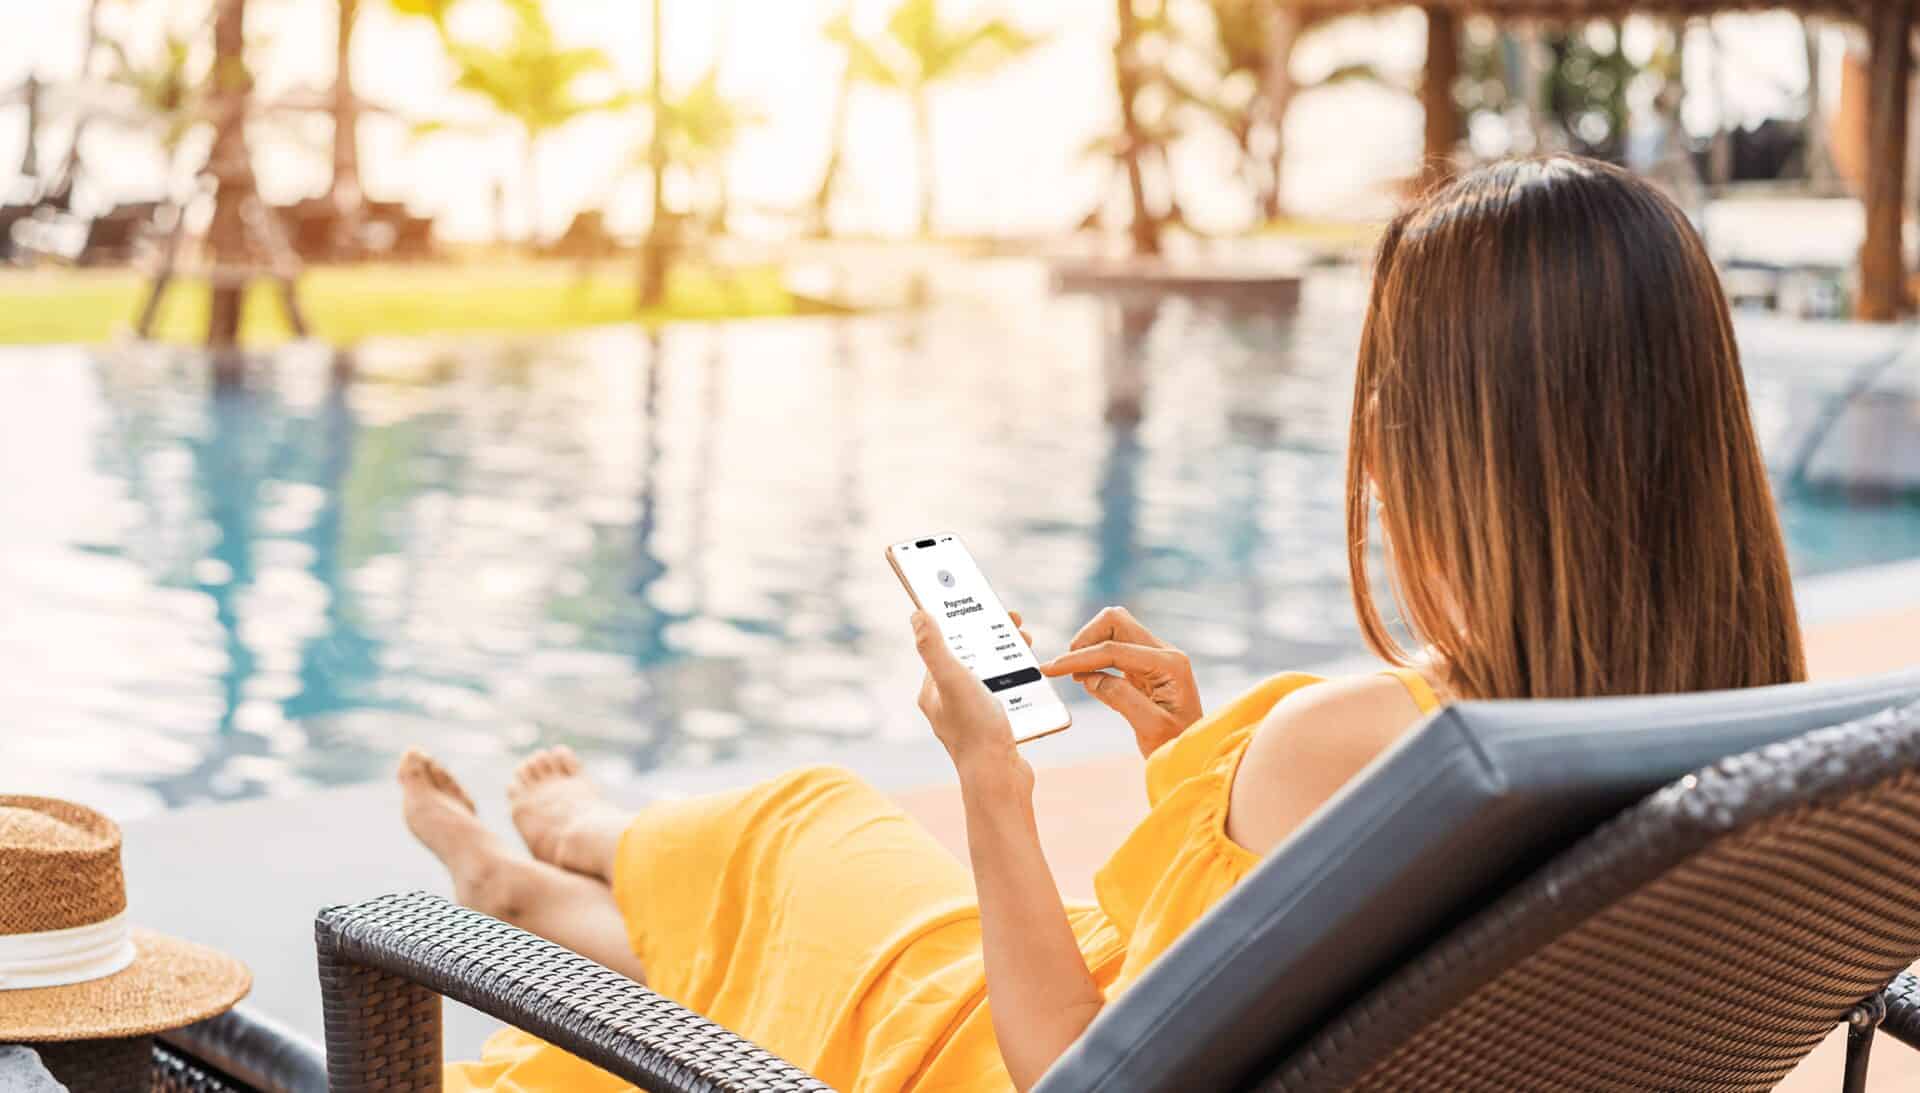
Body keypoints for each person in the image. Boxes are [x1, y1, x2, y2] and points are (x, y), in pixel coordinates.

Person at [399, 156, 1806, 1093]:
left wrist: (993, 782)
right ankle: (572, 888)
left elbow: (1069, 1061)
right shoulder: (1752, 726)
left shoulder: (1360, 745)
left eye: (1389, 400)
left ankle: (578, 862)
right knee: (810, 884)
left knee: (810, 827)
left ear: (1456, 447)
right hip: (1186, 1013)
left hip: (1041, 1050)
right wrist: (1203, 768)